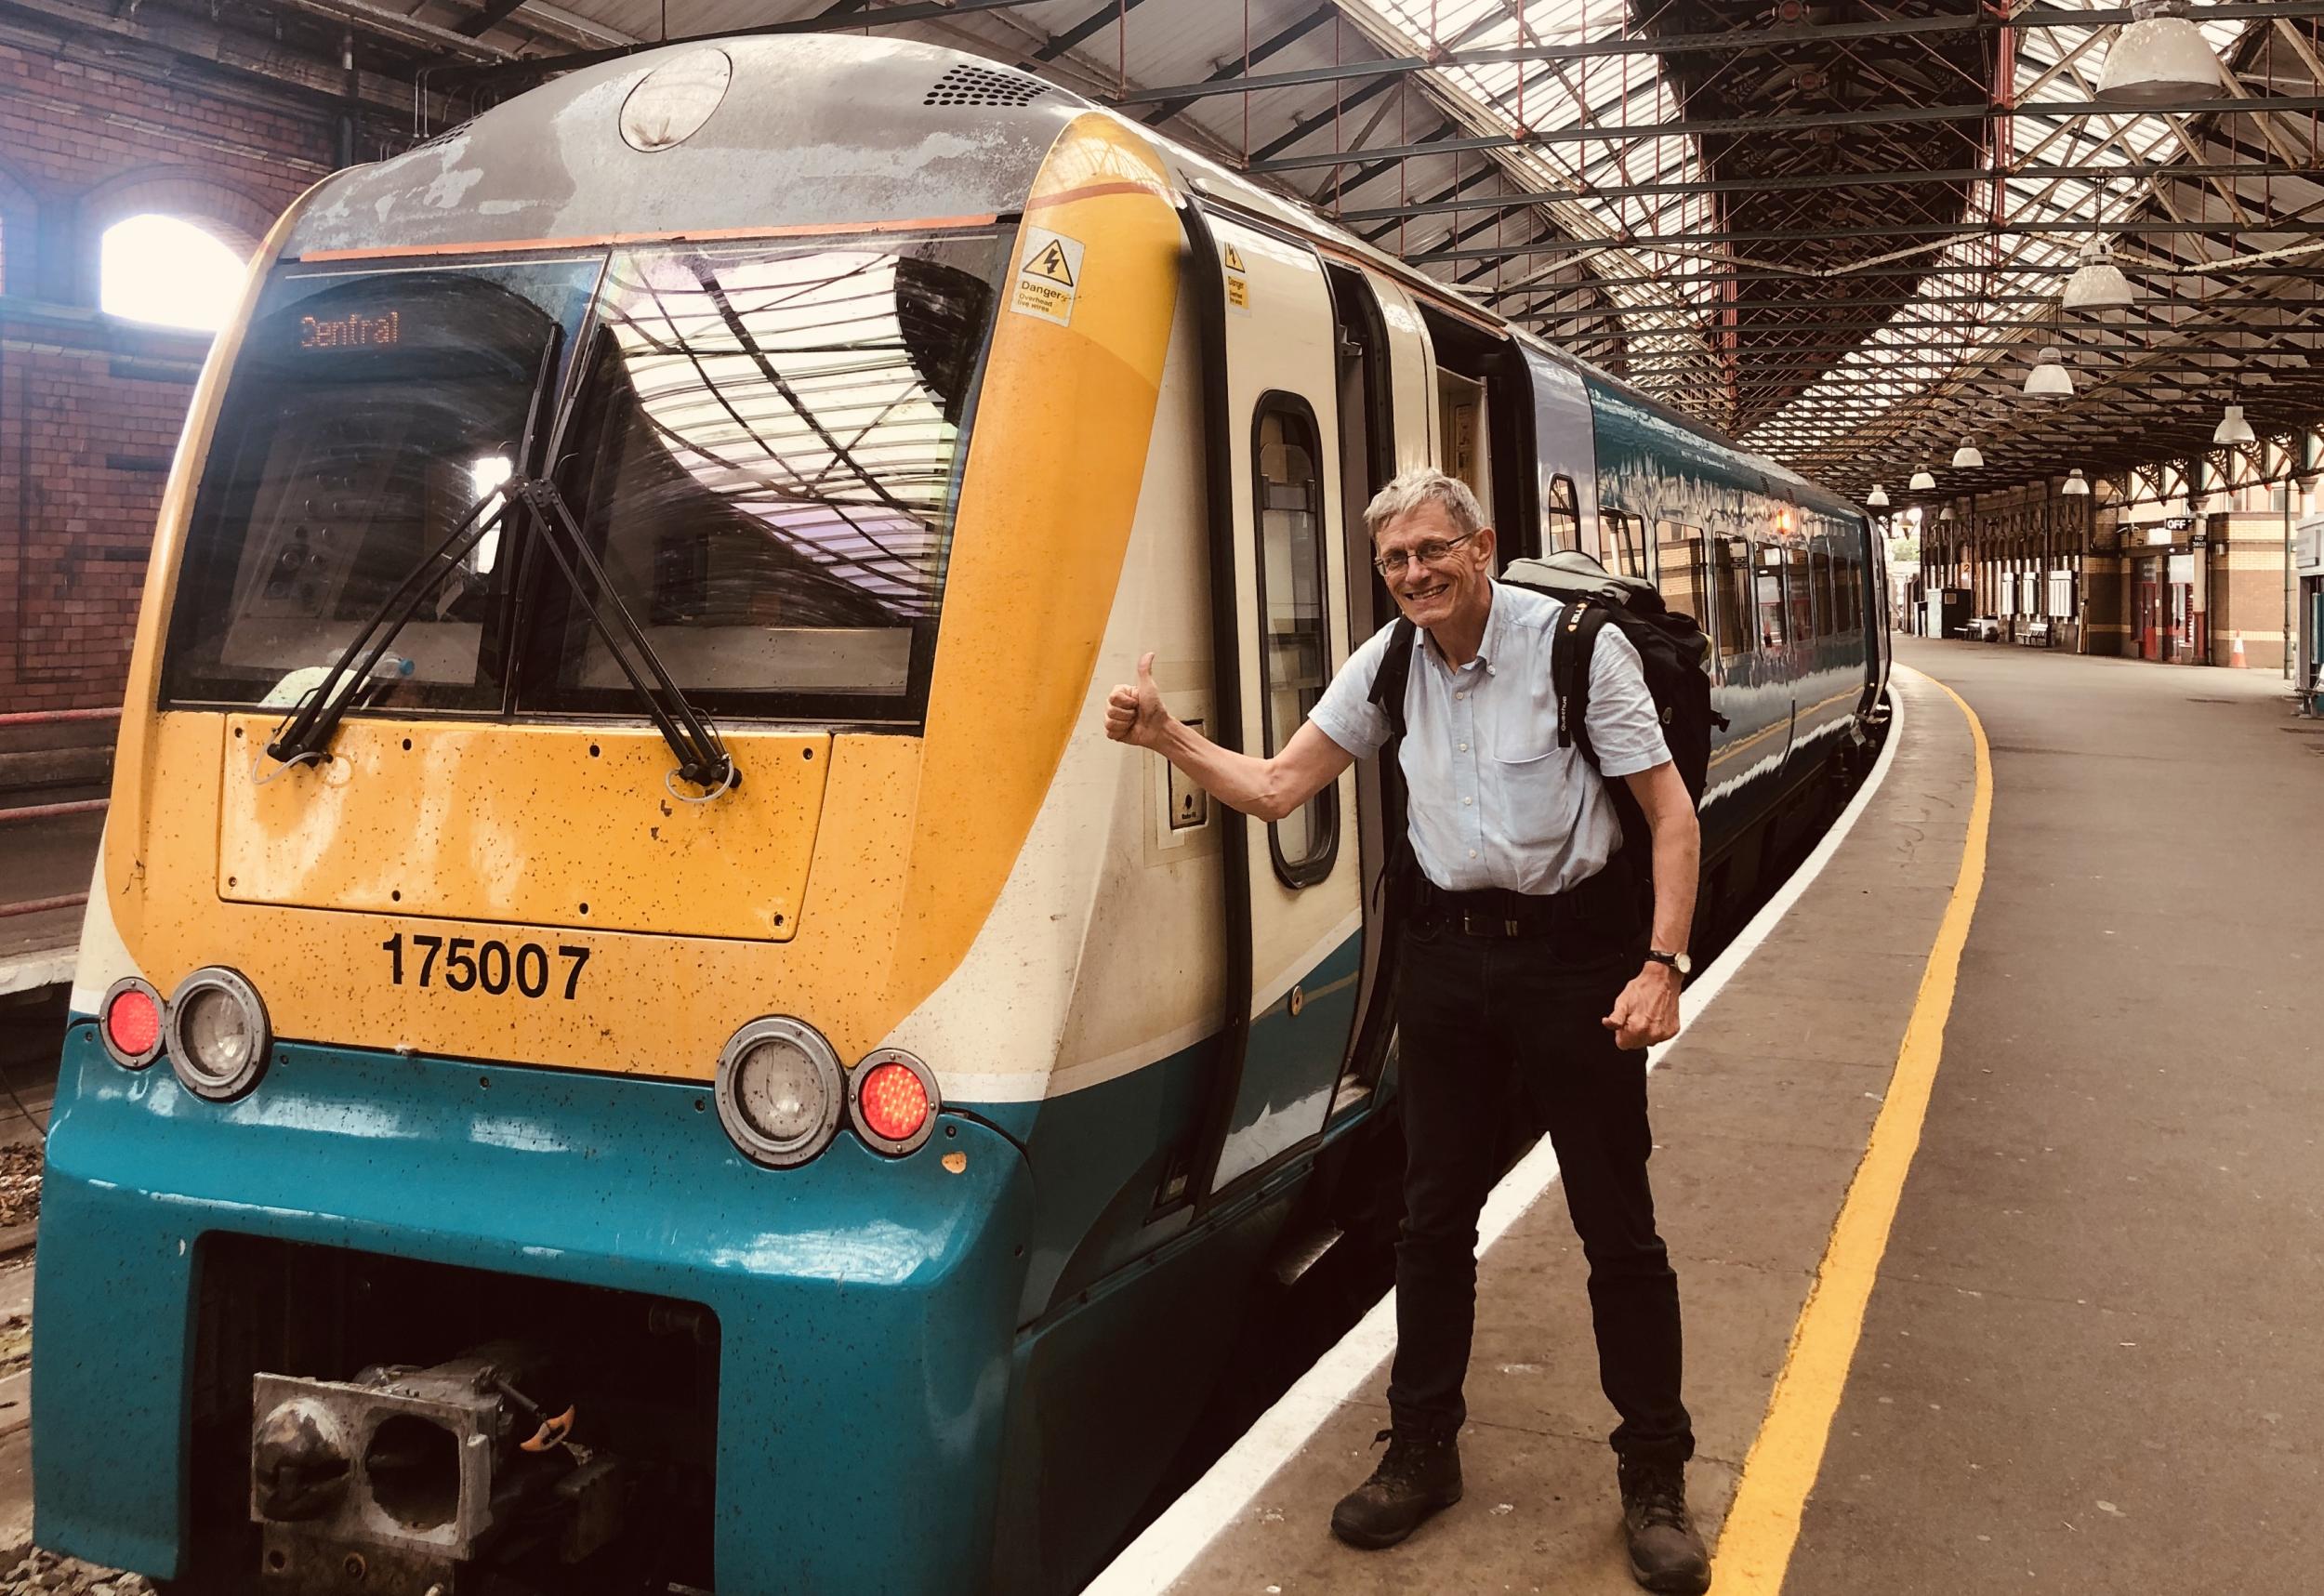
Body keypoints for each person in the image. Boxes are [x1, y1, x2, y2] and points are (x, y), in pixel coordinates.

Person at [1103, 468, 1710, 1595]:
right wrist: (1168, 739)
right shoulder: (1388, 660)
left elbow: (1667, 815)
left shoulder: (1576, 651)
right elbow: (1282, 786)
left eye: (1435, 550)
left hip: (1575, 966)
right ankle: (1422, 1448)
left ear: (1482, 546)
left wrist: (1660, 965)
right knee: (1430, 1220)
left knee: (1615, 1225)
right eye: (1395, 561)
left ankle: (1655, 1477)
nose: (1416, 574)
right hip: (1447, 966)